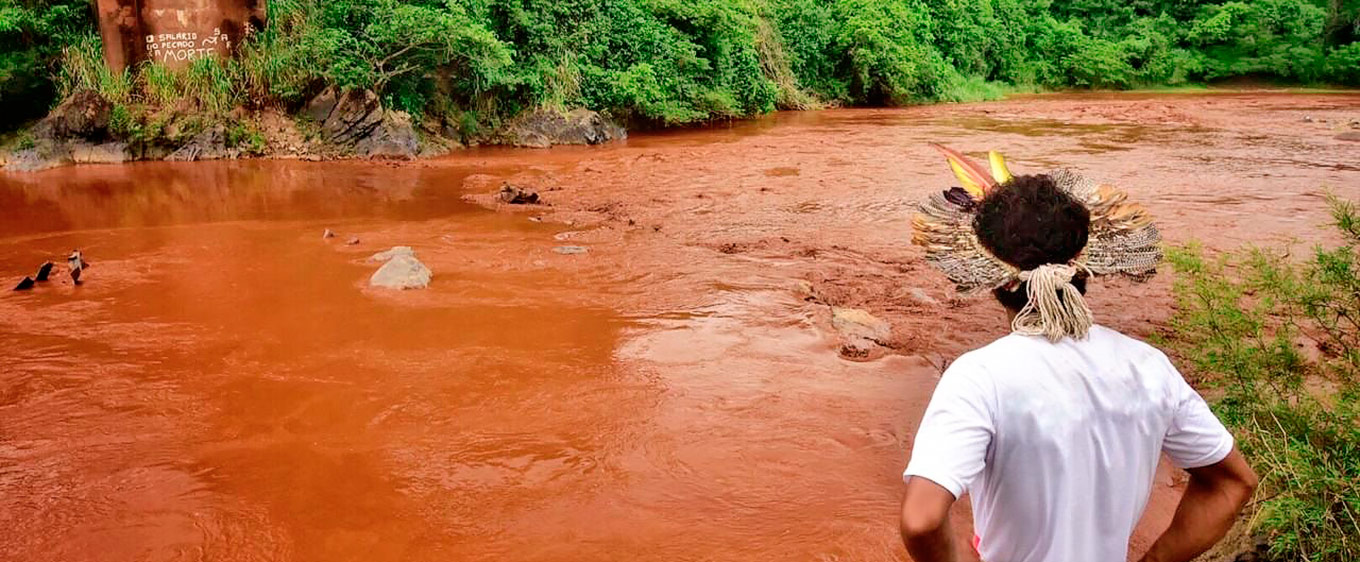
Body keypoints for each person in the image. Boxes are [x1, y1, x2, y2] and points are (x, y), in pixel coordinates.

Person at [900, 147, 1258, 562]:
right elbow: (1233, 483)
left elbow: (921, 521)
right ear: (1083, 266)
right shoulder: (1148, 367)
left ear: (993, 280)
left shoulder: (979, 377)